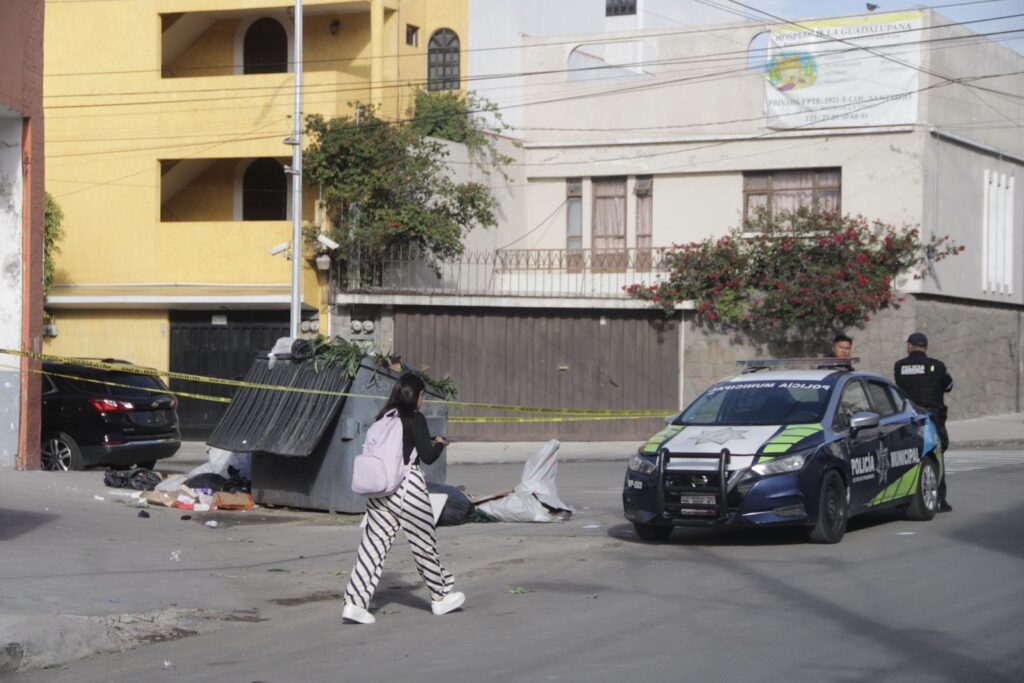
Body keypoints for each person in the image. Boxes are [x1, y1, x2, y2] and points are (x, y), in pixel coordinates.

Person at [341, 373, 465, 624]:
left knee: (372, 548)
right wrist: (440, 444)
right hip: (407, 487)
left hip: (379, 491)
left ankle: (355, 602)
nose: (423, 400)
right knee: (424, 542)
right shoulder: (414, 419)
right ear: (416, 396)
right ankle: (440, 597)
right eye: (422, 396)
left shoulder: (383, 418)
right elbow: (428, 456)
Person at [894, 332, 954, 512]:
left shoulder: (900, 366)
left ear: (909, 346)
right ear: (925, 347)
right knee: (936, 457)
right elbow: (949, 386)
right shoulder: (936, 366)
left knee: (908, 456)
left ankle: (904, 498)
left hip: (909, 418)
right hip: (932, 419)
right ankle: (939, 500)